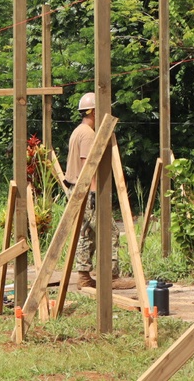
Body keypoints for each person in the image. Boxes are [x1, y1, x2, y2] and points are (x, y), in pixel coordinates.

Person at [65, 91, 120, 288]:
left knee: (86, 234)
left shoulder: (77, 131)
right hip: (87, 191)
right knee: (110, 231)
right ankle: (111, 277)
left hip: (78, 190)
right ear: (95, 112)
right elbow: (89, 166)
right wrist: (96, 194)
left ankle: (84, 276)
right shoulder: (88, 135)